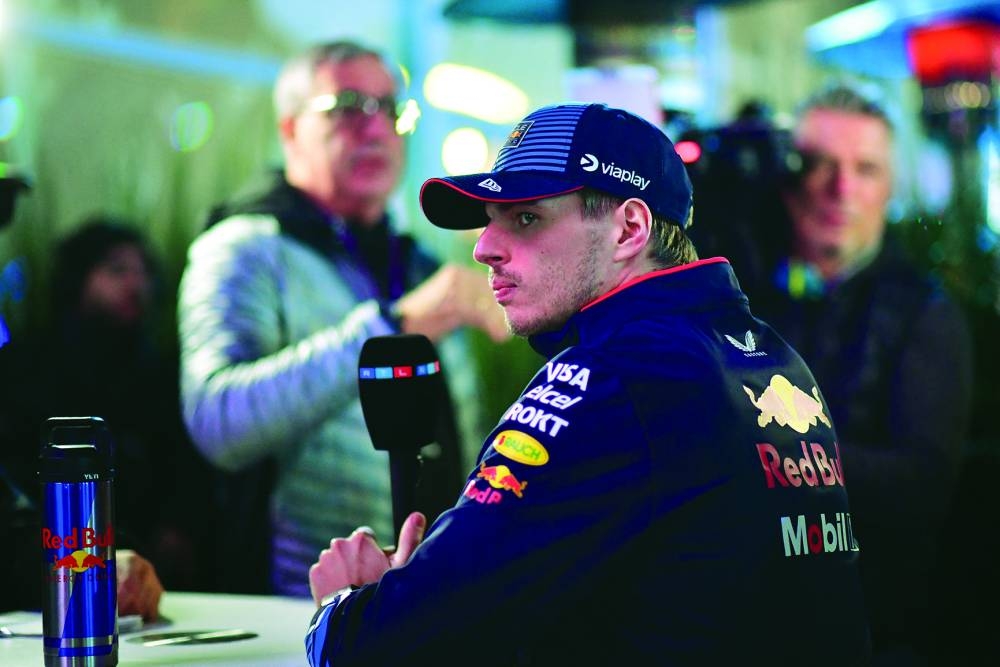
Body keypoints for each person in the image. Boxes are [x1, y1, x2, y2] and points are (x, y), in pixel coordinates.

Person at [304, 102, 871, 665]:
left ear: (629, 228)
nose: (484, 248)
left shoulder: (612, 376)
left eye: (526, 217)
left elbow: (382, 643)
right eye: (489, 219)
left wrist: (345, 604)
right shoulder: (772, 357)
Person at [177, 40, 507, 597]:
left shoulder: (417, 262)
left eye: (389, 110)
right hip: (292, 608)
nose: (375, 128)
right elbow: (217, 420)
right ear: (289, 130)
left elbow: (460, 444)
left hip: (424, 602)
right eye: (348, 107)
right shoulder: (244, 247)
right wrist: (393, 326)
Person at [740, 85, 973, 664]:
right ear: (786, 178)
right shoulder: (743, 294)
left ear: (889, 188)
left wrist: (763, 452)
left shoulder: (924, 312)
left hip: (871, 627)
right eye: (819, 164)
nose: (841, 189)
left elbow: (924, 485)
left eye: (865, 169)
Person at [0, 219, 172, 621]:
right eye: (116, 270)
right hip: (54, 572)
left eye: (143, 271)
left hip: (138, 577)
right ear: (78, 278)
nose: (136, 283)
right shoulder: (30, 367)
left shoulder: (156, 370)